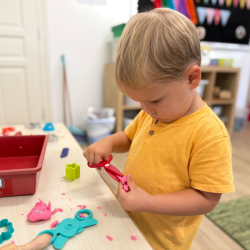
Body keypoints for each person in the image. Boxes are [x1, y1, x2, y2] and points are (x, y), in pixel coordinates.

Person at [83, 8, 234, 250]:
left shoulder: (209, 135)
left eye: (154, 100)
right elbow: (130, 138)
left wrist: (149, 202)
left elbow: (206, 199)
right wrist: (109, 142)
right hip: (128, 222)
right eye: (139, 101)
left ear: (192, 78)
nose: (145, 109)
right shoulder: (153, 113)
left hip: (161, 241)